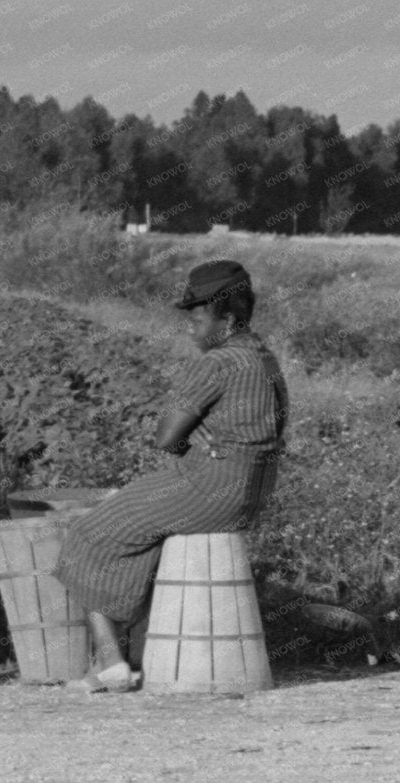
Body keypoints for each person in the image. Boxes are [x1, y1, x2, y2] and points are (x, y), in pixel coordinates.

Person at [54, 260, 288, 693]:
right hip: (252, 491)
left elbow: (166, 437)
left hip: (209, 486)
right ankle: (132, 649)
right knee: (139, 534)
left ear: (228, 319)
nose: (190, 330)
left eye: (198, 320)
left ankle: (110, 662)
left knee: (88, 533)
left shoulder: (218, 362)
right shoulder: (265, 359)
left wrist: (190, 444)